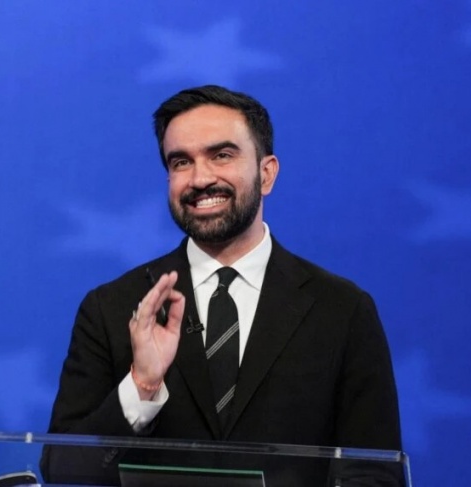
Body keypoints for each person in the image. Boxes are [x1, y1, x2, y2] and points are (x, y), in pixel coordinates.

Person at [40, 85, 402, 486]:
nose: (200, 178)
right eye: (181, 162)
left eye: (222, 155)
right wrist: (142, 385)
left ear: (267, 173)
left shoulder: (341, 310)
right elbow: (63, 467)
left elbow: (374, 473)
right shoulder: (113, 307)